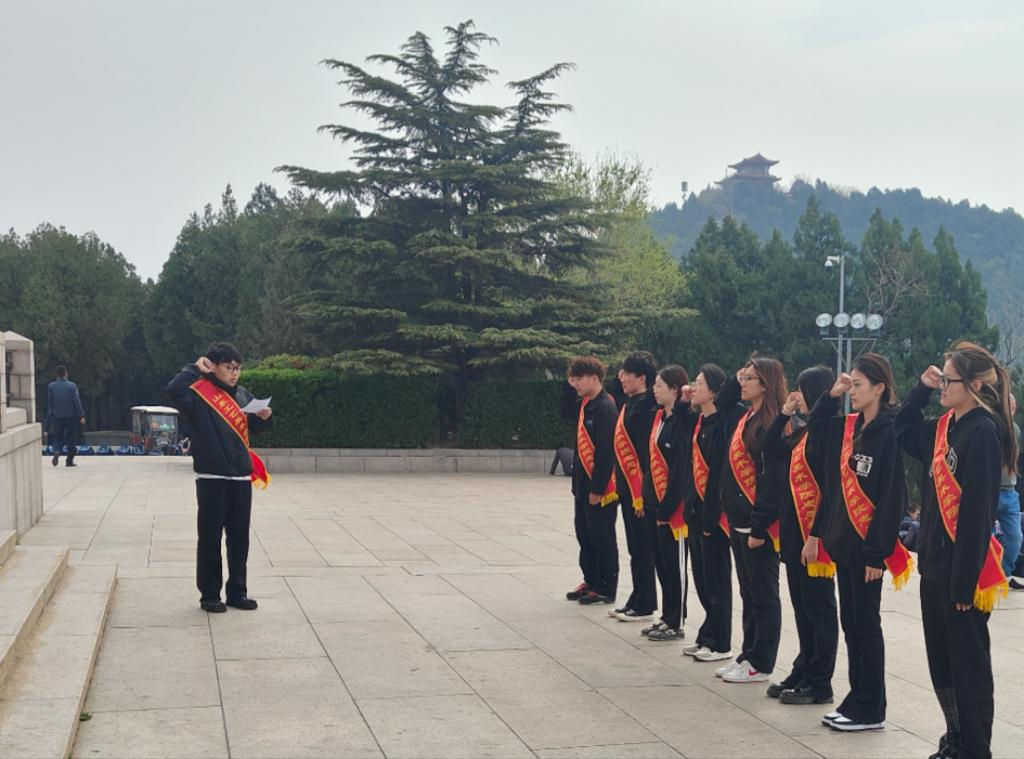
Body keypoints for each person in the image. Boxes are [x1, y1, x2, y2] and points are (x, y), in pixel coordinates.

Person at [897, 342, 1014, 759]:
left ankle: (975, 748)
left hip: (961, 574)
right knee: (942, 663)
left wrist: (964, 583)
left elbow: (977, 514)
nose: (943, 385)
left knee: (968, 668)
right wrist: (921, 389)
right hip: (934, 564)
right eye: (942, 378)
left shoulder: (983, 431)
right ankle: (956, 737)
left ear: (975, 385)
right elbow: (903, 430)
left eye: (949, 380)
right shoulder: (946, 426)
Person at [806, 353, 909, 732]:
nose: (853, 391)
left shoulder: (890, 432)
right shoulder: (850, 427)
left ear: (879, 388)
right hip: (844, 544)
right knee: (851, 623)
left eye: (858, 385)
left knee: (866, 626)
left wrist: (877, 554)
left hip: (868, 550)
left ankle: (871, 707)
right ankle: (857, 698)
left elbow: (892, 496)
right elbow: (815, 430)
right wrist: (832, 395)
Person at [166, 342, 273, 613]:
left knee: (239, 539)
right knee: (210, 538)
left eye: (238, 368)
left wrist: (263, 417)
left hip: (240, 478)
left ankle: (237, 592)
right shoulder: (199, 393)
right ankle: (210, 595)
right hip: (211, 476)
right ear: (213, 367)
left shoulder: (242, 395)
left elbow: (255, 428)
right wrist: (194, 369)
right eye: (229, 367)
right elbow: (174, 390)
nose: (235, 373)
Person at [763, 366, 839, 706]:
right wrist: (784, 413)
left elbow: (829, 490)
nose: (797, 394)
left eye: (801, 389)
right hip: (795, 531)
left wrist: (815, 535)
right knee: (803, 608)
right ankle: (804, 668)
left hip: (815, 535)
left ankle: (820, 681)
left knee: (819, 610)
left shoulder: (829, 432)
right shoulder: (804, 431)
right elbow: (770, 447)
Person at [716, 356, 786, 684]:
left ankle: (762, 660)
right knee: (748, 592)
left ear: (766, 385)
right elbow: (724, 400)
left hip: (759, 524)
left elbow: (770, 481)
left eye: (749, 378)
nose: (742, 383)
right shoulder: (747, 416)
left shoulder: (771, 422)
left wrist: (759, 525)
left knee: (763, 594)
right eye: (742, 377)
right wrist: (738, 374)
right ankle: (748, 652)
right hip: (738, 518)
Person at [679, 364, 734, 662]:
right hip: (694, 511)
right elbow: (680, 422)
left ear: (714, 391)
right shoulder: (699, 422)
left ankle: (721, 642)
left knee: (716, 581)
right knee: (701, 578)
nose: (693, 386)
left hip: (712, 515)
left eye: (699, 383)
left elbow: (717, 477)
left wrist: (711, 516)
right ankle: (707, 635)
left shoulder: (723, 424)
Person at [561, 356, 620, 605]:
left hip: (600, 489)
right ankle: (591, 580)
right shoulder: (586, 404)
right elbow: (565, 412)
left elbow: (606, 453)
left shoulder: (606, 407)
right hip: (581, 486)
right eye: (573, 379)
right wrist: (568, 386)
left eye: (579, 379)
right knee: (584, 536)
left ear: (594, 379)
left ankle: (605, 586)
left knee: (602, 538)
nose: (576, 383)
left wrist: (597, 488)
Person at [642, 364, 693, 641]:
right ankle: (666, 615)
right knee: (661, 565)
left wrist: (667, 508)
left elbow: (679, 472)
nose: (654, 389)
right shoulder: (659, 418)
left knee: (675, 568)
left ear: (675, 389)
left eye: (660, 385)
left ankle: (676, 621)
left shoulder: (681, 424)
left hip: (673, 511)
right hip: (654, 504)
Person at [611, 351, 659, 622]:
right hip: (626, 488)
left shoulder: (646, 408)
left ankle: (645, 603)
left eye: (627, 373)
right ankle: (638, 596)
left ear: (642, 378)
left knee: (642, 548)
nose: (621, 377)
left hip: (639, 490)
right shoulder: (631, 403)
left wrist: (642, 493)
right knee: (634, 547)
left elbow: (645, 455)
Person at [993, 395, 1023, 577]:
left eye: (1014, 404)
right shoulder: (991, 425)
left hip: (1010, 491)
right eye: (1008, 403)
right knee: (985, 536)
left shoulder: (1015, 429)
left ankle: (1004, 573)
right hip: (991, 489)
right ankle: (985, 572)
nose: (1012, 407)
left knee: (1015, 537)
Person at [45, 365, 85, 467]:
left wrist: (49, 417)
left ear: (56, 374)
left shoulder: (51, 386)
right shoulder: (72, 386)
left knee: (58, 436)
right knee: (71, 438)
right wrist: (81, 415)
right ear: (66, 373)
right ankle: (69, 460)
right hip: (71, 415)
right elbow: (76, 401)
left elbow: (50, 403)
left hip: (57, 415)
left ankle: (57, 450)